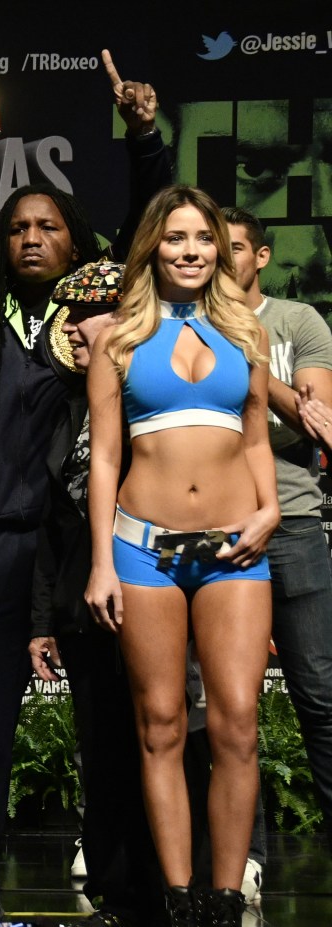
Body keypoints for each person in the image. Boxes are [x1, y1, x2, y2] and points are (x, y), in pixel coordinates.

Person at [0, 50, 171, 927]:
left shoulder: (103, 314)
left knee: (104, 718)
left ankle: (126, 884)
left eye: (48, 226)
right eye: (18, 227)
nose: (31, 237)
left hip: (85, 544)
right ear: (1, 244)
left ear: (74, 241)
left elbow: (148, 233)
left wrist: (143, 138)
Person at [84, 185, 278, 927]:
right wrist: (101, 560)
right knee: (160, 725)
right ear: (153, 250)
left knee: (236, 725)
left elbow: (259, 438)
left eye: (204, 238)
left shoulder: (247, 332)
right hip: (142, 547)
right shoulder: (119, 339)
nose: (191, 250)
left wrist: (269, 511)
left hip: (236, 549)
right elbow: (103, 457)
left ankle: (225, 905)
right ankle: (179, 905)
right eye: (176, 239)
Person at [28, 260, 167, 927]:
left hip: (155, 596)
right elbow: (55, 520)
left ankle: (170, 895)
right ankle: (115, 899)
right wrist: (46, 618)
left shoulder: (156, 395)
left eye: (86, 315)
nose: (71, 328)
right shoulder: (72, 401)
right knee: (102, 754)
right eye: (67, 314)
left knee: (164, 745)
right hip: (86, 605)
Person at [223, 206, 332, 854]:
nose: (225, 258)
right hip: (214, 524)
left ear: (259, 256)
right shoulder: (192, 323)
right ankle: (246, 861)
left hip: (290, 519)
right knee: (231, 708)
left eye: (237, 247)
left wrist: (252, 365)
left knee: (319, 694)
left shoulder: (296, 321)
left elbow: (316, 423)